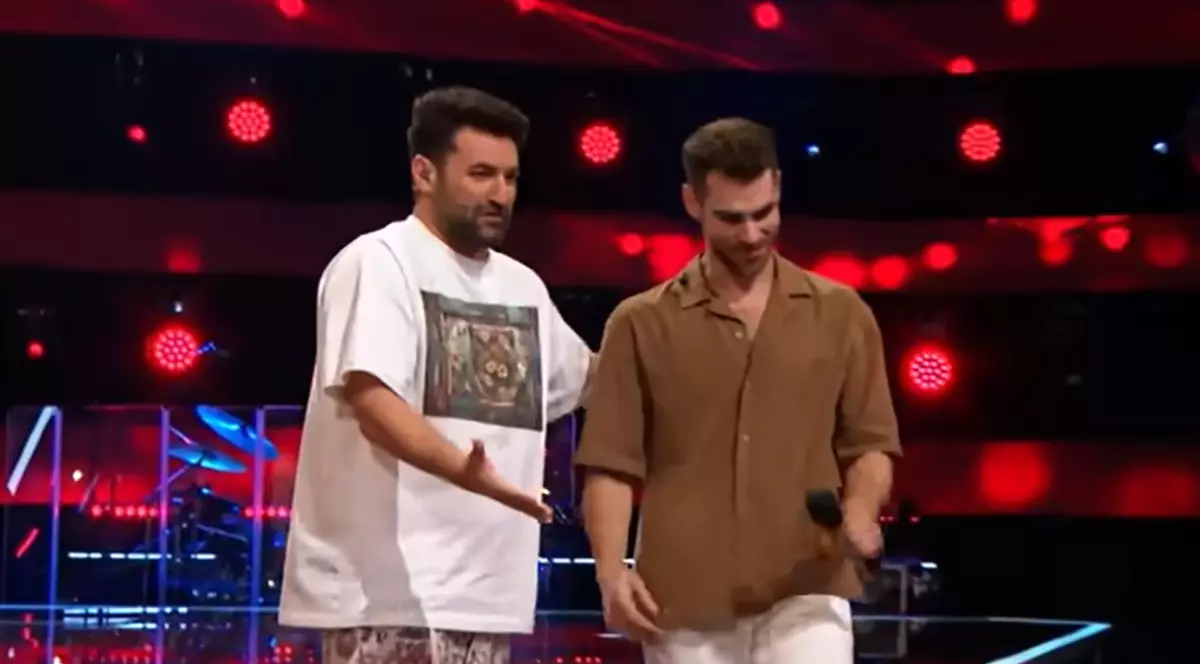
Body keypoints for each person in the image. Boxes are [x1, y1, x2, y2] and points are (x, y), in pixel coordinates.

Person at [279, 86, 594, 664]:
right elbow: (375, 403)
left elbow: (591, 380)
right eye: (480, 174)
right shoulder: (379, 261)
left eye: (510, 178)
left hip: (486, 596)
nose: (500, 194)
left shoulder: (522, 286)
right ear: (423, 173)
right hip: (383, 595)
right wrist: (466, 472)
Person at [575, 117, 901, 664]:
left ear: (779, 188)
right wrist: (610, 574)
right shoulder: (640, 323)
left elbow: (870, 443)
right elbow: (610, 463)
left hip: (808, 589)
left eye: (763, 213)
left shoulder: (842, 314)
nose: (751, 235)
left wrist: (862, 512)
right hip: (681, 599)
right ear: (692, 201)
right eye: (730, 218)